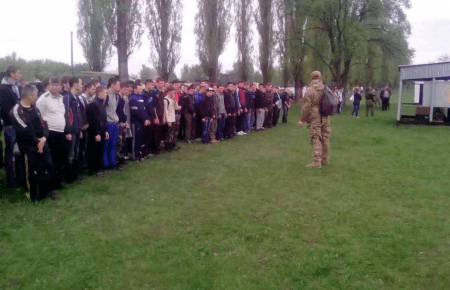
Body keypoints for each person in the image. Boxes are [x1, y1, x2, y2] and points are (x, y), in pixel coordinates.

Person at [10, 84, 59, 201]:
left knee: (47, 166)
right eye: (36, 95)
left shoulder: (35, 108)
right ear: (29, 95)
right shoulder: (16, 111)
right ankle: (33, 195)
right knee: (32, 170)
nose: (37, 97)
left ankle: (46, 191)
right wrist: (37, 141)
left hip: (41, 143)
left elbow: (43, 124)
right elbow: (23, 130)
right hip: (28, 146)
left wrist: (44, 138)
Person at [36, 78, 68, 188]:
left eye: (56, 85)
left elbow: (61, 114)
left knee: (61, 157)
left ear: (60, 86)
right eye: (52, 85)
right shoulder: (44, 98)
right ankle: (51, 182)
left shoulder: (61, 98)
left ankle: (58, 180)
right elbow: (38, 115)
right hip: (50, 132)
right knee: (52, 158)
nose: (54, 87)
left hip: (61, 131)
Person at [298, 71, 331, 168]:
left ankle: (317, 161)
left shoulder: (310, 90)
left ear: (311, 78)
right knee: (325, 137)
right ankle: (325, 159)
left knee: (315, 138)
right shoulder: (325, 88)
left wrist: (302, 119)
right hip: (325, 116)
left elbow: (306, 106)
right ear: (320, 77)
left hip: (315, 117)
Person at [0, 65, 26, 188]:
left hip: (18, 123)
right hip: (10, 124)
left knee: (18, 151)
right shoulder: (4, 88)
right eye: (18, 72)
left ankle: (20, 177)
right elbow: (5, 110)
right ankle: (11, 180)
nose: (20, 75)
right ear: (11, 74)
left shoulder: (17, 87)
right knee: (10, 152)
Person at [61, 77, 83, 182]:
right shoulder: (67, 98)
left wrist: (80, 129)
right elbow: (66, 115)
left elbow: (78, 115)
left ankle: (75, 174)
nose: (81, 85)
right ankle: (68, 177)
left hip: (77, 130)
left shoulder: (76, 97)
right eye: (80, 83)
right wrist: (67, 131)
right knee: (70, 154)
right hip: (71, 131)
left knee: (76, 152)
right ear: (75, 84)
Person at [86, 86, 109, 175]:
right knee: (94, 151)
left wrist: (105, 130)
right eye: (105, 93)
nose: (107, 95)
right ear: (100, 93)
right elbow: (93, 120)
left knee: (100, 150)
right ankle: (93, 170)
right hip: (95, 132)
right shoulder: (93, 104)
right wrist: (96, 133)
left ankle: (99, 168)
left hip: (102, 131)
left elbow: (103, 118)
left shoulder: (101, 103)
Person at [129, 81, 151, 161]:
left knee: (141, 138)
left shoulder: (141, 97)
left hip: (143, 121)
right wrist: (144, 119)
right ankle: (135, 155)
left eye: (142, 89)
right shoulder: (132, 98)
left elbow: (145, 110)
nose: (141, 90)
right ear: (135, 89)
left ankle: (140, 154)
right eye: (139, 89)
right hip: (136, 122)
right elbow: (136, 112)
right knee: (136, 139)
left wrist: (147, 118)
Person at [104, 77, 121, 169]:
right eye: (118, 84)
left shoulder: (117, 96)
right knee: (106, 144)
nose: (119, 86)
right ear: (112, 85)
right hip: (108, 123)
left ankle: (113, 163)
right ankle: (106, 164)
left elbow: (115, 110)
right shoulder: (105, 95)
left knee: (113, 144)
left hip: (115, 122)